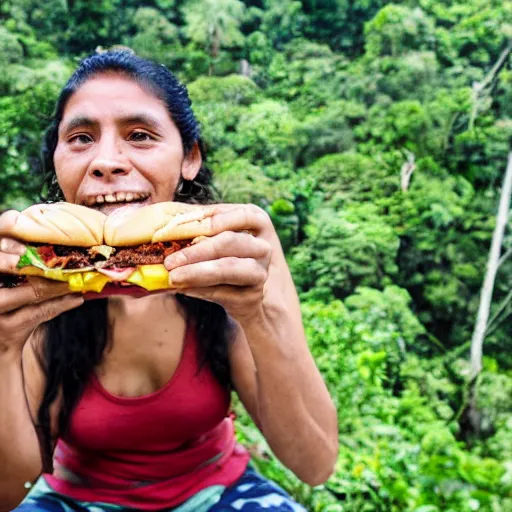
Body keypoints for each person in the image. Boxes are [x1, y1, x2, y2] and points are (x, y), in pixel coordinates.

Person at [0, 51, 338, 512]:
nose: (106, 161)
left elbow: (315, 465)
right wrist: (2, 348)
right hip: (75, 499)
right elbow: (7, 493)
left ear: (189, 158)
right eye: (81, 138)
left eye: (140, 135)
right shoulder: (29, 272)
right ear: (58, 164)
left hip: (218, 491)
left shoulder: (238, 258)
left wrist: (257, 315)